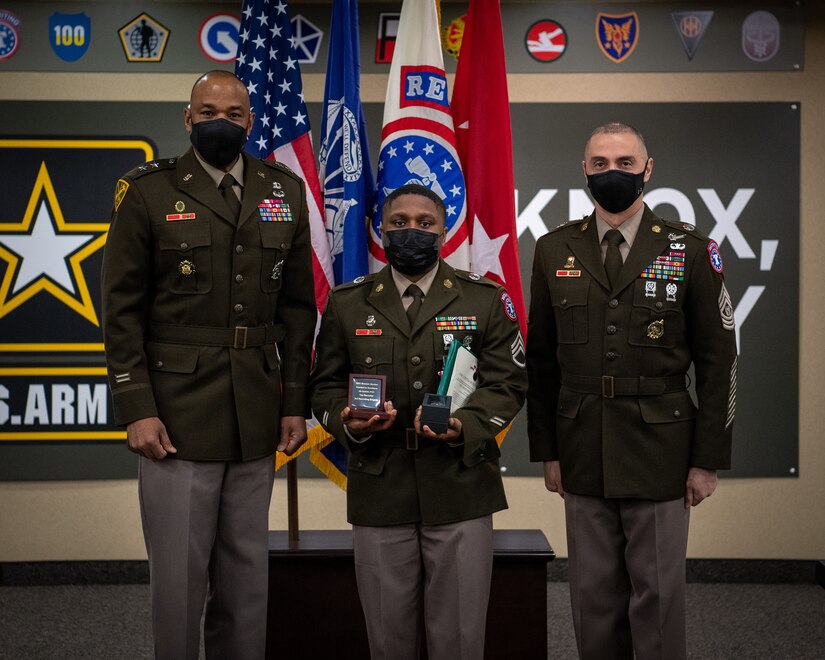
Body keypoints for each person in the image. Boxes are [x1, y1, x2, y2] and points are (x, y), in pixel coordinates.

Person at [101, 70, 316, 660]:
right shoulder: (147, 192)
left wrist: (294, 401)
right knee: (179, 583)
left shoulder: (284, 191)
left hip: (256, 409)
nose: (221, 120)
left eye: (234, 111)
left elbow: (299, 310)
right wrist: (136, 409)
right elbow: (121, 312)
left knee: (247, 581)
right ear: (188, 117)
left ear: (251, 121)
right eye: (208, 110)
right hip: (176, 417)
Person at [527, 122, 737, 660]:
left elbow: (719, 361)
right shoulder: (553, 249)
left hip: (661, 449)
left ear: (648, 169)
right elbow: (542, 362)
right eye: (600, 164)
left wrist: (706, 459)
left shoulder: (691, 249)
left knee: (659, 597)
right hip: (582, 446)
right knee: (592, 598)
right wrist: (547, 451)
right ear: (584, 171)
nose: (611, 173)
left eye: (624, 163)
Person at [309, 184, 527, 660]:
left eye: (425, 224)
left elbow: (508, 383)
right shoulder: (349, 303)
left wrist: (466, 426)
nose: (412, 232)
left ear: (444, 231)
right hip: (380, 489)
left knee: (460, 641)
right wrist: (348, 422)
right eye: (400, 223)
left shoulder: (484, 299)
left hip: (460, 485)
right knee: (388, 641)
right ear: (380, 231)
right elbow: (323, 387)